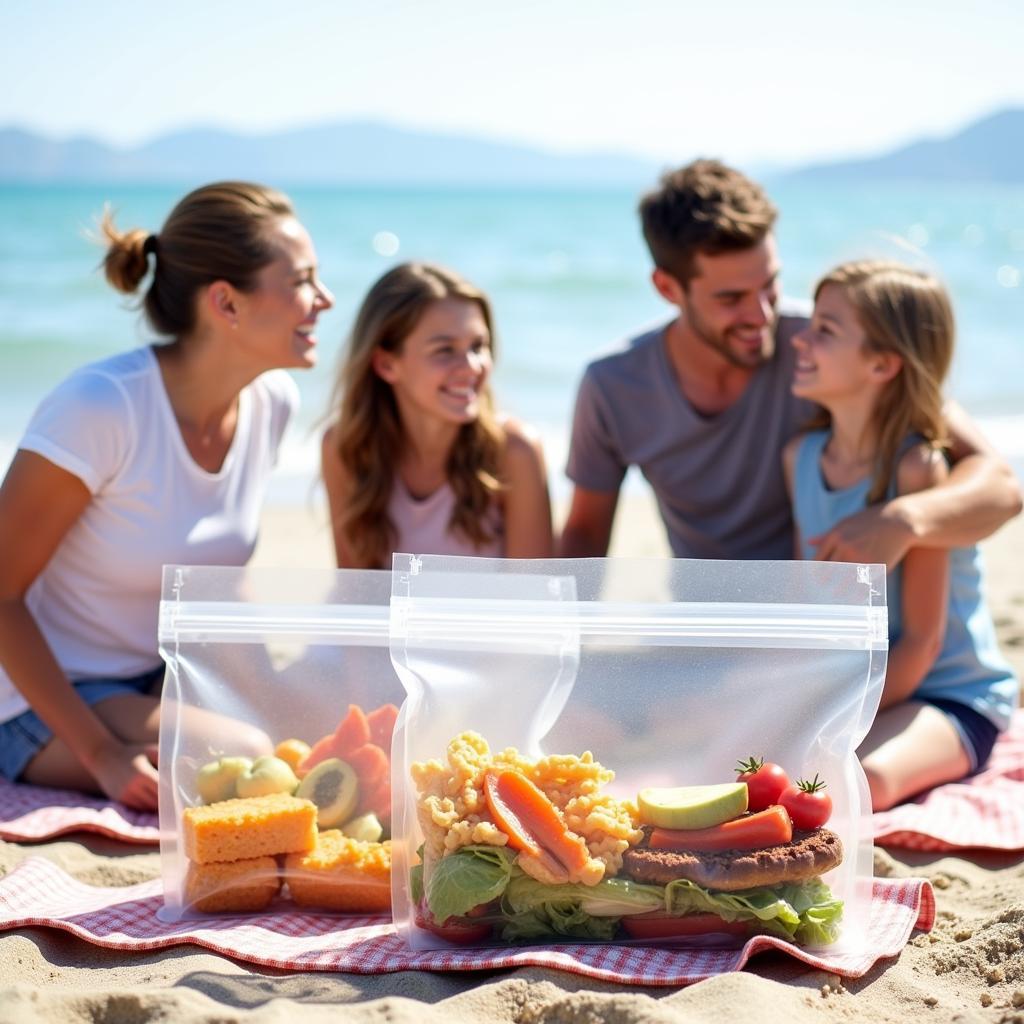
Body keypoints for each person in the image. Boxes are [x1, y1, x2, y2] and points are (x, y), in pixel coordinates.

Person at [0, 181, 334, 809]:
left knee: (317, 742)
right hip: (33, 692)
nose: (325, 299)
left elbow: (224, 594)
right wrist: (100, 756)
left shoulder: (269, 404)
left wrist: (281, 707)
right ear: (226, 304)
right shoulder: (102, 407)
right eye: (303, 281)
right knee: (253, 761)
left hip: (155, 679)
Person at [560, 159, 1022, 563]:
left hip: (824, 619)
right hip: (714, 630)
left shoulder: (826, 348)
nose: (761, 315)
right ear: (667, 288)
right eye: (732, 298)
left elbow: (1002, 486)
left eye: (770, 285)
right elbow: (585, 533)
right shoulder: (613, 385)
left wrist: (903, 519)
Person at [783, 260, 1018, 810]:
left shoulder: (917, 471)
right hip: (854, 693)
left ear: (883, 364)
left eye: (826, 330)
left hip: (946, 695)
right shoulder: (799, 458)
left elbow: (922, 642)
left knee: (860, 783)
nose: (801, 340)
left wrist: (837, 722)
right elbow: (807, 608)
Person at [321, 261, 552, 568]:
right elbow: (358, 595)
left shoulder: (515, 452)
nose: (472, 366)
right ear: (386, 365)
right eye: (445, 350)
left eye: (478, 346)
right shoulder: (344, 449)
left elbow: (534, 603)